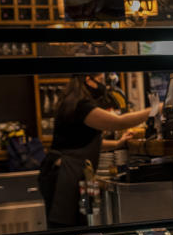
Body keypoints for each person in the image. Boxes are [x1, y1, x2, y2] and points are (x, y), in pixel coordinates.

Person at [38, 73, 160, 227]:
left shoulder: (73, 102)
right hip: (63, 175)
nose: (104, 85)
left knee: (73, 227)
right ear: (89, 80)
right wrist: (155, 108)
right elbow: (118, 122)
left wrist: (117, 144)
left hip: (65, 172)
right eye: (101, 80)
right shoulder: (82, 106)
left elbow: (85, 141)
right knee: (65, 230)